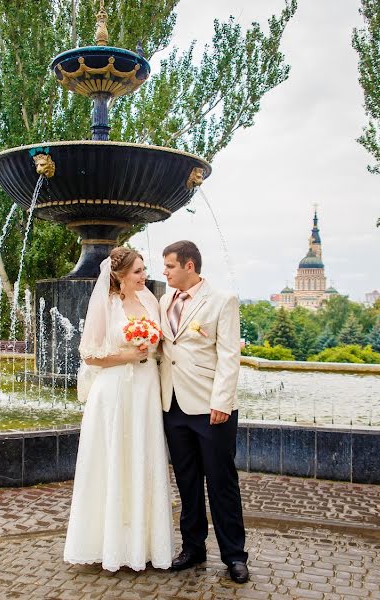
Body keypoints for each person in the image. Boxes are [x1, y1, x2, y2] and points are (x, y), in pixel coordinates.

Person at [63, 247, 175, 572]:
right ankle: (106, 544)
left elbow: (164, 343)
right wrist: (128, 356)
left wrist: (148, 348)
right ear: (121, 275)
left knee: (143, 457)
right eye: (138, 271)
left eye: (144, 270)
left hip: (145, 390)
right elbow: (89, 355)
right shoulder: (107, 305)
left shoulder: (151, 301)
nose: (144, 276)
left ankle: (145, 545)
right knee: (111, 461)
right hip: (113, 390)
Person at [158, 240, 249, 584]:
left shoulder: (222, 301)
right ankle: (193, 547)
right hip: (174, 406)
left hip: (212, 408)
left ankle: (235, 556)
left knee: (222, 483)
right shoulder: (165, 301)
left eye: (169, 266)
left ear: (189, 266)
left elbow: (229, 356)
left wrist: (222, 402)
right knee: (188, 483)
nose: (164, 272)